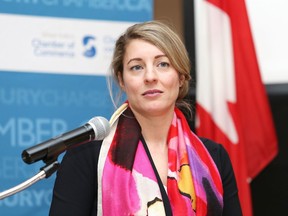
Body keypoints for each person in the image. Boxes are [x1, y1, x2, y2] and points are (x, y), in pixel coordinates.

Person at [49, 20, 242, 216]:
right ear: (122, 80)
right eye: (136, 67)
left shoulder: (213, 157)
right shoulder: (87, 155)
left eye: (163, 64)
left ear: (181, 77)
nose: (150, 76)